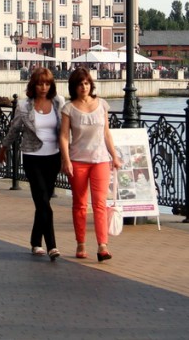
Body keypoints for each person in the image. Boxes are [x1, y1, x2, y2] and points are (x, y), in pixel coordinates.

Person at [0, 67, 63, 261]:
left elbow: (66, 129)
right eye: (40, 83)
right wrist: (4, 147)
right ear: (33, 85)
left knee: (43, 201)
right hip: (32, 156)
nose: (43, 87)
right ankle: (52, 245)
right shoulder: (25, 106)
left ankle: (35, 241)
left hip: (53, 156)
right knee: (42, 198)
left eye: (47, 83)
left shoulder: (58, 102)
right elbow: (14, 128)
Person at [59, 67, 120, 263]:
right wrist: (66, 160)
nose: (84, 87)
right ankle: (81, 243)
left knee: (100, 204)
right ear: (74, 87)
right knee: (80, 204)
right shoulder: (69, 108)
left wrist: (114, 156)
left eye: (86, 83)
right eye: (79, 84)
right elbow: (64, 136)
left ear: (91, 85)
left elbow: (107, 133)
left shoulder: (102, 105)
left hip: (100, 160)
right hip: (78, 161)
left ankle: (103, 245)